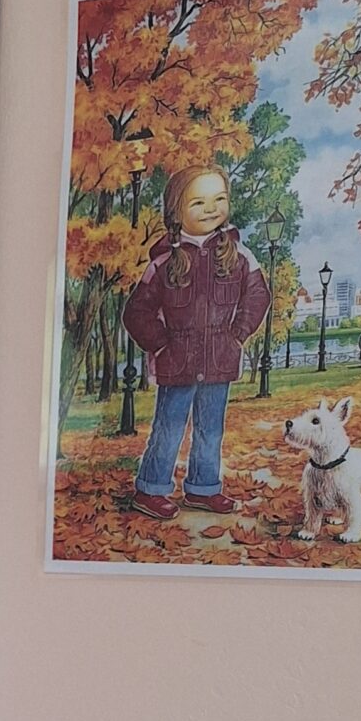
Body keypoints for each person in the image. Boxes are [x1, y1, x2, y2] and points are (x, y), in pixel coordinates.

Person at [123, 166, 268, 518]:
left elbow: (258, 296)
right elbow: (136, 312)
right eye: (199, 202)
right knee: (169, 426)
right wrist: (160, 345)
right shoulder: (163, 262)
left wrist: (238, 334)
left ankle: (203, 488)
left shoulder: (240, 255)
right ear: (176, 211)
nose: (211, 208)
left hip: (220, 359)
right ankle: (151, 488)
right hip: (177, 361)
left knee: (211, 428)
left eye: (219, 199)